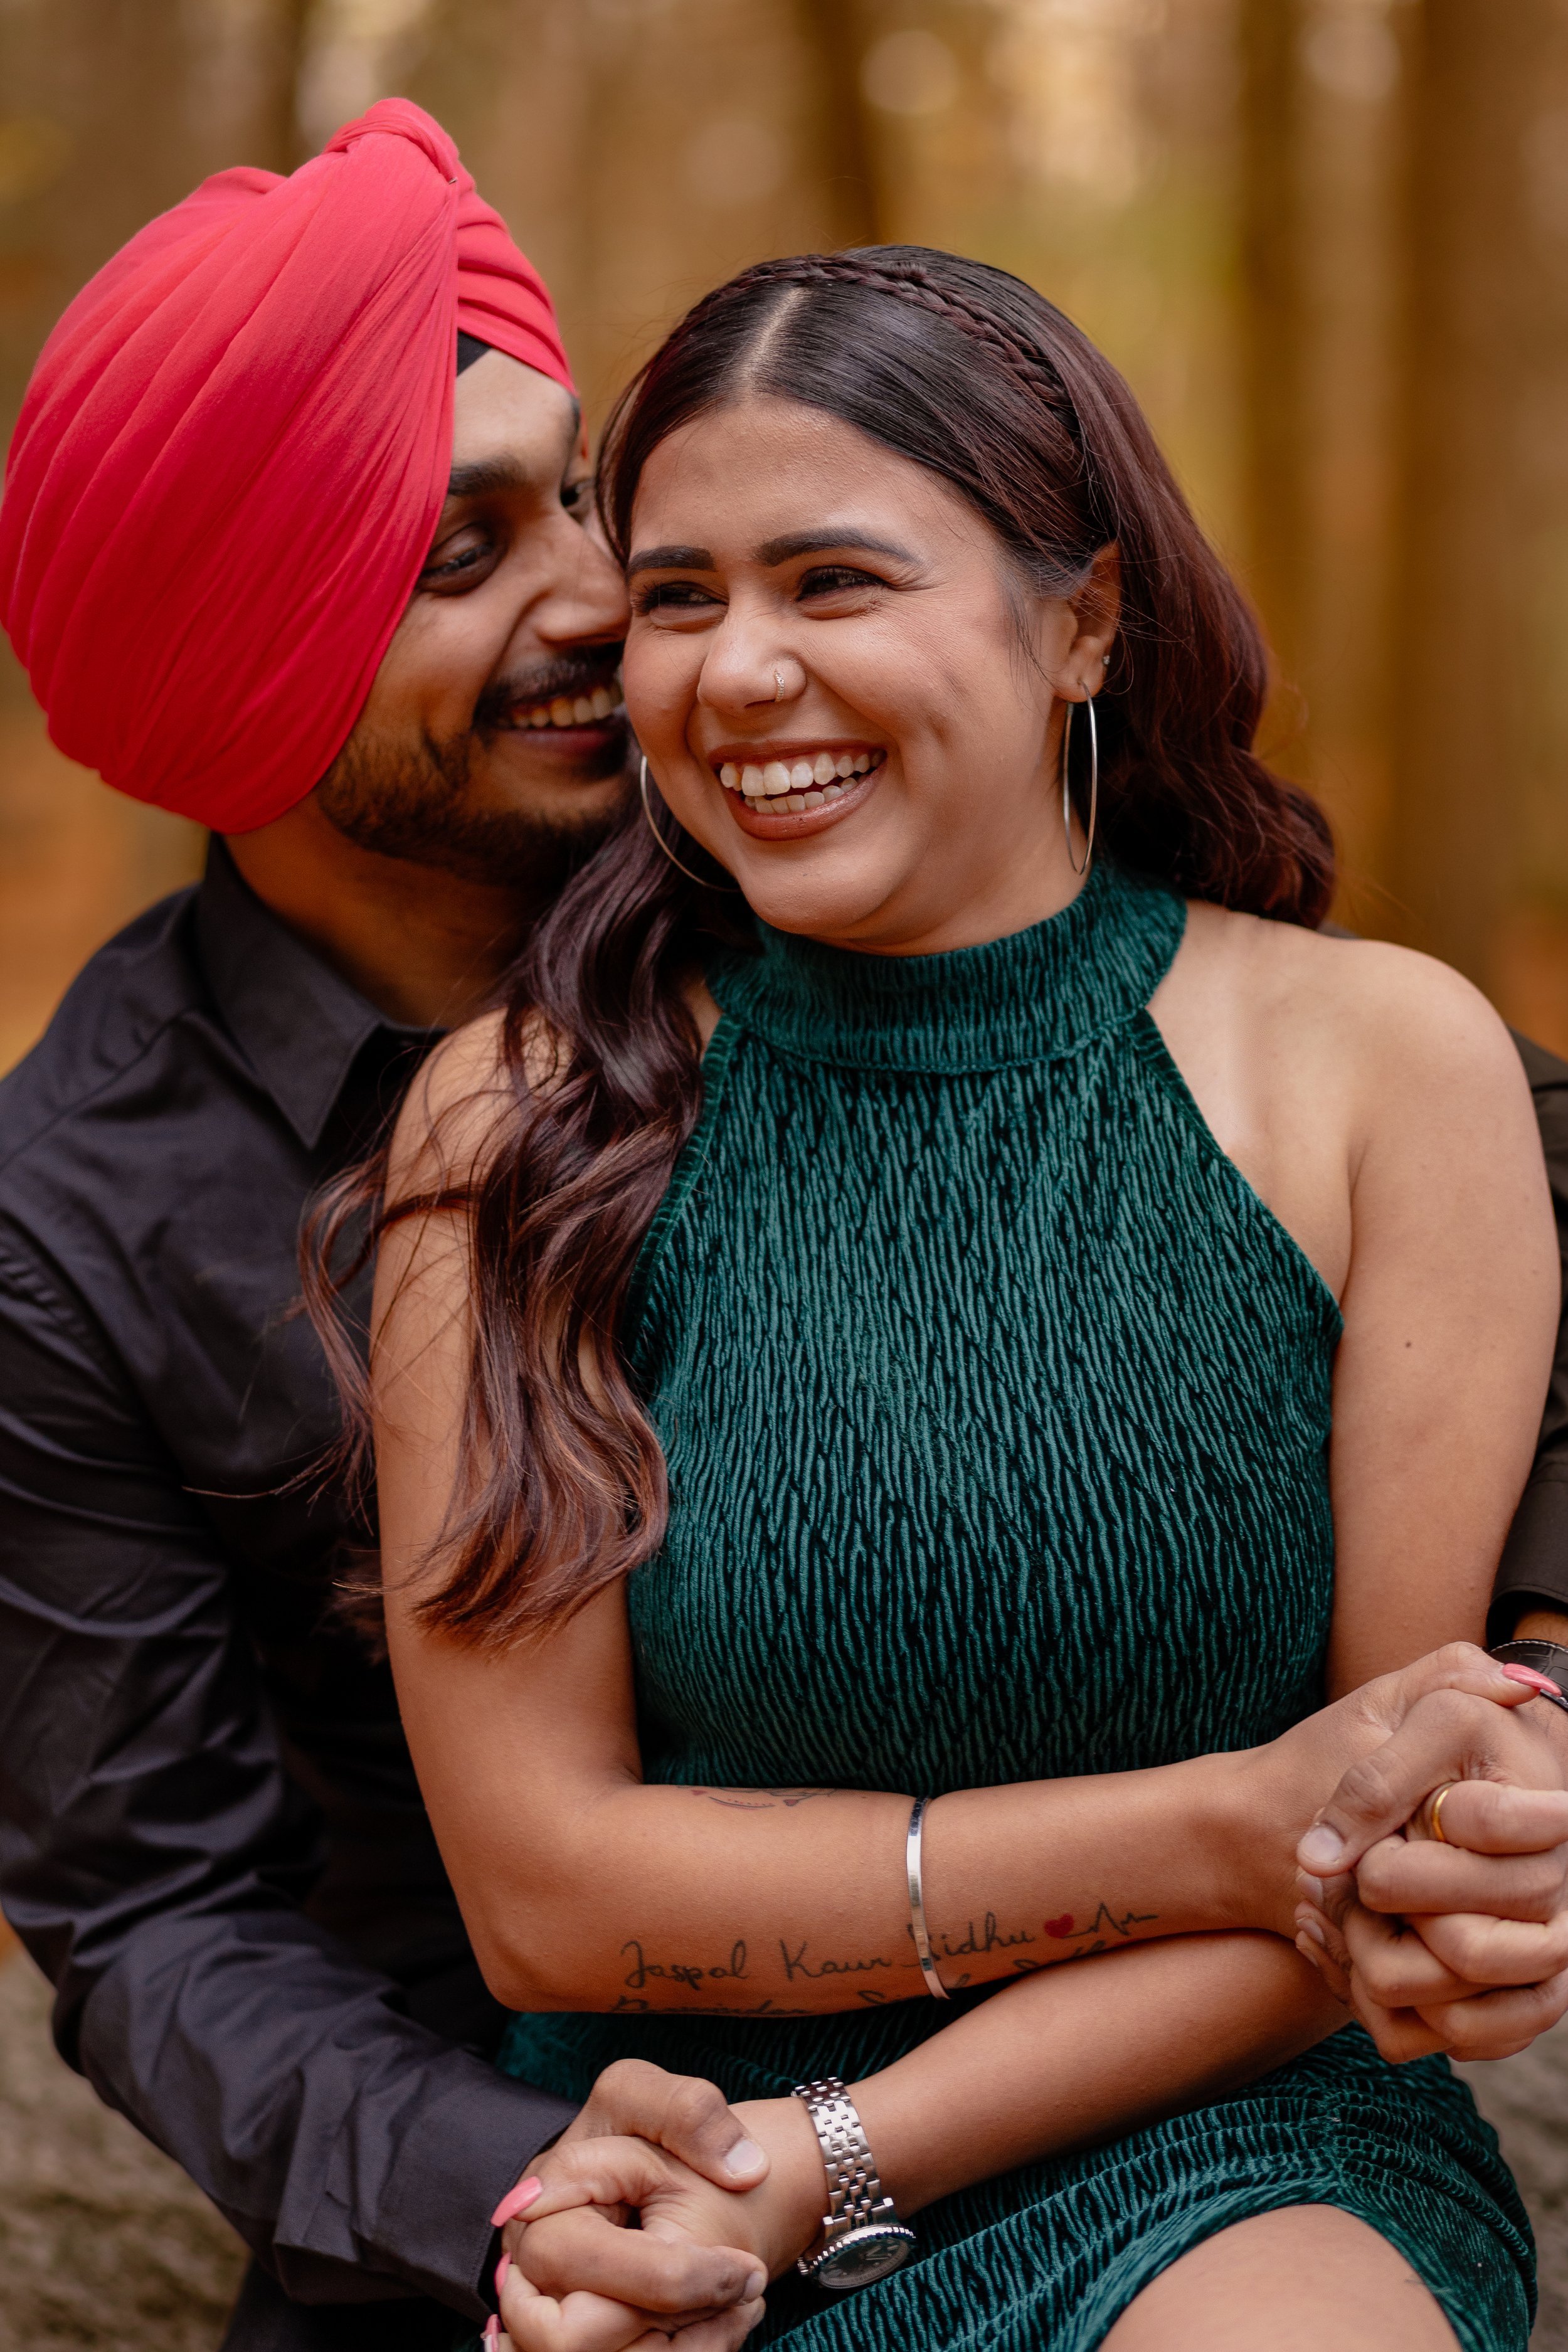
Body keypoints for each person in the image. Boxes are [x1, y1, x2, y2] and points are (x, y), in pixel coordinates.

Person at [362, 248, 1568, 2352]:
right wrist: (1226, 1819)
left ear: (1079, 619)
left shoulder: (1383, 1069)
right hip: (665, 2171)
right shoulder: (517, 1127)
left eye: (835, 583)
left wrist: (835, 2162)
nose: (738, 674)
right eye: (676, 596)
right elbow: (545, 1887)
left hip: (1232, 2142)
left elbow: (1385, 1855)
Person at [0, 101, 771, 2352]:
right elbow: (153, 1911)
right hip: (517, 2158)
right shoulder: (70, 1229)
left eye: (583, 497)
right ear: (243, 667)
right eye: (461, 559)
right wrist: (513, 2197)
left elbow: (1443, 1129)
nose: (598, 595)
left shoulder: (833, 874)